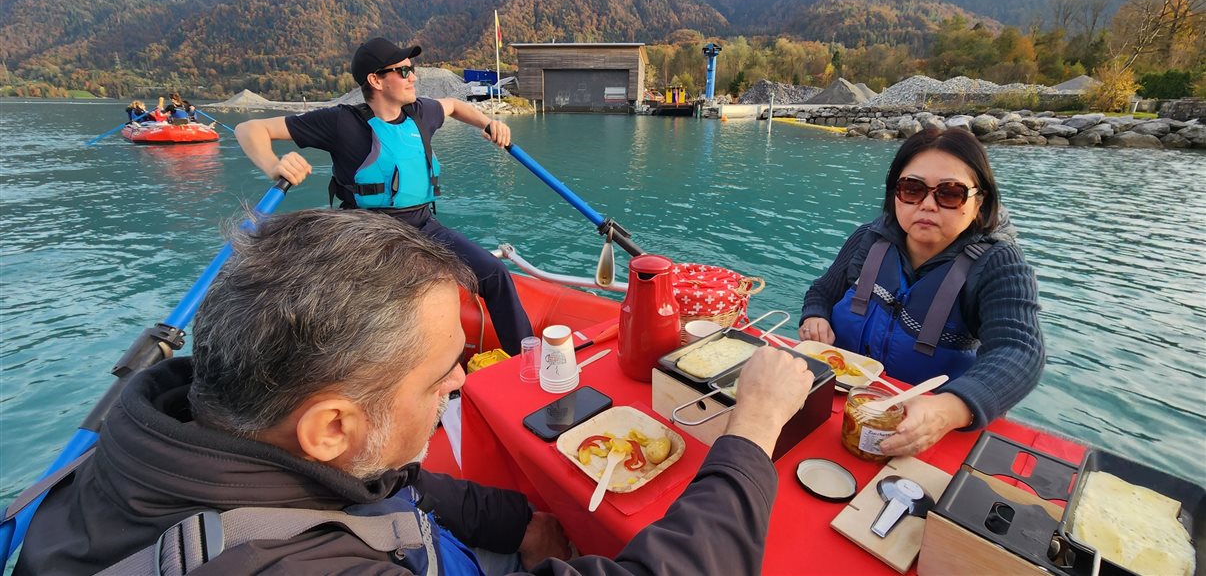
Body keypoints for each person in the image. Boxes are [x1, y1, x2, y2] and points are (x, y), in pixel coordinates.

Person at [15, 209, 816, 575]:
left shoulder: (183, 425)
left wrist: (522, 522)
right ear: (331, 424)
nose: (464, 382)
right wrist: (750, 434)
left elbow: (387, 480)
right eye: (442, 376)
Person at [235, 37, 534, 355]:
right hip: (366, 232)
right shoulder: (342, 123)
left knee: (495, 274)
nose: (413, 76)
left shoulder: (422, 113)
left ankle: (527, 358)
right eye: (403, 71)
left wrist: (488, 123)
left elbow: (455, 105)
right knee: (385, 310)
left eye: (412, 69)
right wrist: (274, 164)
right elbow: (249, 129)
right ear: (375, 80)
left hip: (422, 224)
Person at [798, 127, 1043, 458]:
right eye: (912, 189)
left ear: (979, 201)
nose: (927, 205)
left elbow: (1020, 351)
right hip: (838, 409)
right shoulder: (868, 240)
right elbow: (823, 291)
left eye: (950, 193)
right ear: (895, 193)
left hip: (926, 432)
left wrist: (948, 410)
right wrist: (815, 315)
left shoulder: (998, 264)